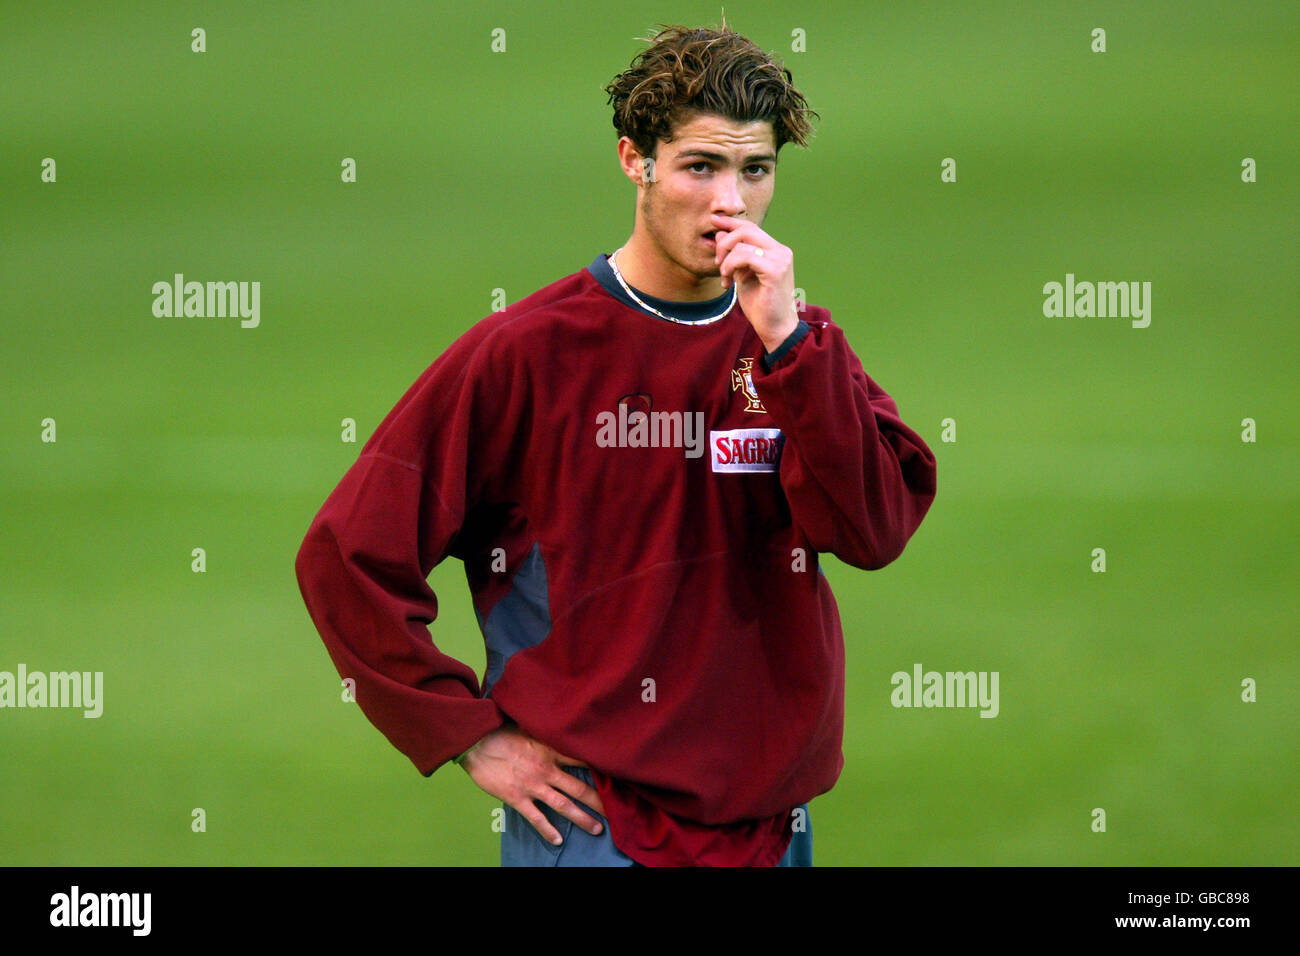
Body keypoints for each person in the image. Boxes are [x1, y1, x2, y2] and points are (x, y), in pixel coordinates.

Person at [294, 22, 937, 867]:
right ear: (635, 161)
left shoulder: (799, 348)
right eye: (700, 167)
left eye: (756, 170)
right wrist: (465, 732)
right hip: (596, 831)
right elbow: (346, 553)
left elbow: (874, 531)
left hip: (775, 829)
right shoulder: (528, 353)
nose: (731, 202)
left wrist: (786, 344)